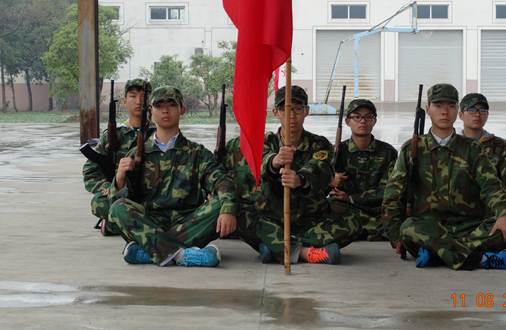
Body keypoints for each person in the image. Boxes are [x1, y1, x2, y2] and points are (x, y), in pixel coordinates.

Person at [382, 83, 506, 270]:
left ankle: (436, 255)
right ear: (428, 110)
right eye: (438, 106)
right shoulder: (412, 149)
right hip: (426, 227)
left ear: (457, 111)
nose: (445, 111)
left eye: (451, 106)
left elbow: (491, 187)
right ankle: (480, 260)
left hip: (468, 226)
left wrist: (504, 214)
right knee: (408, 228)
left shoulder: (472, 149)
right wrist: (395, 235)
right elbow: (393, 195)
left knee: (504, 229)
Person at [107, 86, 238, 267]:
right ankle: (182, 255)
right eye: (159, 106)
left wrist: (228, 208)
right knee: (117, 208)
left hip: (189, 224)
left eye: (171, 105)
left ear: (182, 110)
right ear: (151, 112)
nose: (165, 110)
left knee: (220, 204)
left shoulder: (197, 152)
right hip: (150, 222)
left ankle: (150, 251)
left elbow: (221, 181)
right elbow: (114, 206)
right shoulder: (137, 153)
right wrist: (120, 177)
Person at [236, 86, 362, 265]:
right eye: (285, 109)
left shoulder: (319, 143)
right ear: (275, 113)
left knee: (353, 222)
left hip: (309, 220)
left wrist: (300, 179)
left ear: (306, 111)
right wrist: (275, 161)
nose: (292, 115)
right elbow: (259, 165)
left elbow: (322, 169)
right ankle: (303, 252)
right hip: (270, 218)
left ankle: (275, 245)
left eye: (298, 109)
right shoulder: (267, 141)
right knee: (237, 213)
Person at [458, 93, 506, 242]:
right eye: (472, 110)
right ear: (461, 115)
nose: (477, 115)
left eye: (482, 111)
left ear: (487, 115)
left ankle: (485, 228)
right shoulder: (453, 144)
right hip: (458, 207)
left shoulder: (499, 145)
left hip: (491, 206)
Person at [83, 78, 155, 235]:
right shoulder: (113, 135)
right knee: (99, 203)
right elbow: (90, 171)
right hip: (121, 194)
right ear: (124, 101)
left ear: (151, 101)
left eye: (144, 96)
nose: (139, 101)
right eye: (133, 96)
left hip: (152, 196)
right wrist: (107, 188)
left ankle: (117, 224)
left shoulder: (159, 133)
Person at [328, 99, 398, 241]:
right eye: (357, 117)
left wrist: (352, 198)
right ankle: (380, 229)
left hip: (379, 208)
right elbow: (322, 187)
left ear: (374, 121)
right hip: (348, 208)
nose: (363, 121)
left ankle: (359, 228)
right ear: (348, 122)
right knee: (330, 206)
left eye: (368, 117)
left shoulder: (388, 152)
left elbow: (388, 189)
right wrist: (331, 180)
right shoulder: (337, 152)